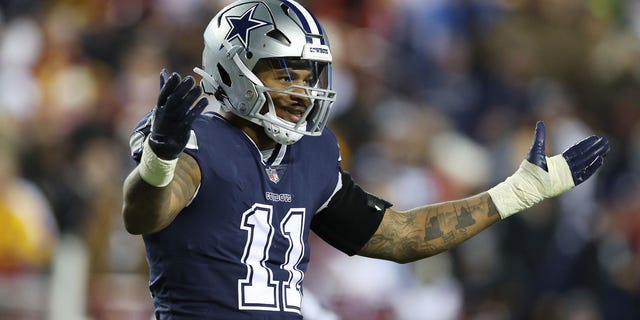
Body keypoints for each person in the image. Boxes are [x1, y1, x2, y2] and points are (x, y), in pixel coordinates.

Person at [121, 0, 610, 318]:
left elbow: (402, 235)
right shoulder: (193, 137)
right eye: (285, 73)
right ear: (233, 68)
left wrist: (518, 191)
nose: (303, 90)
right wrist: (161, 159)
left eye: (310, 75)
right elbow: (145, 212)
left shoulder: (311, 151)